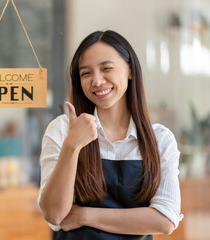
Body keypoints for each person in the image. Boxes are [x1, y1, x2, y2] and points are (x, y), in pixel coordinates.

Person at [38, 30, 183, 239]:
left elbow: (165, 220)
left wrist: (85, 215)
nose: (97, 81)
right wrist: (72, 146)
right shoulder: (62, 130)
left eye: (106, 68)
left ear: (130, 70)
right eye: (86, 73)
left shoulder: (160, 139)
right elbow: (54, 214)